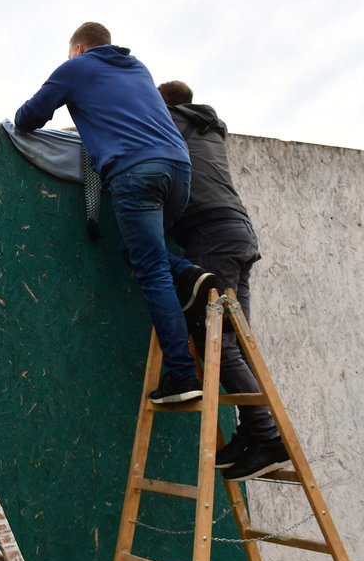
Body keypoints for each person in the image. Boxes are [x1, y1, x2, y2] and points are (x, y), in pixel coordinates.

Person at [15, 22, 218, 404]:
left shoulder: (75, 68)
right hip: (178, 171)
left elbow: (29, 117)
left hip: (135, 172)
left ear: (77, 48)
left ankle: (183, 375)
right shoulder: (138, 67)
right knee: (145, 254)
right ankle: (191, 275)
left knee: (152, 269)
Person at [158, 80, 290, 480]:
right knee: (234, 337)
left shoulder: (171, 121)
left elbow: (135, 128)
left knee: (212, 333)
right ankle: (255, 431)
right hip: (238, 232)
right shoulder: (207, 127)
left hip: (210, 234)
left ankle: (266, 435)